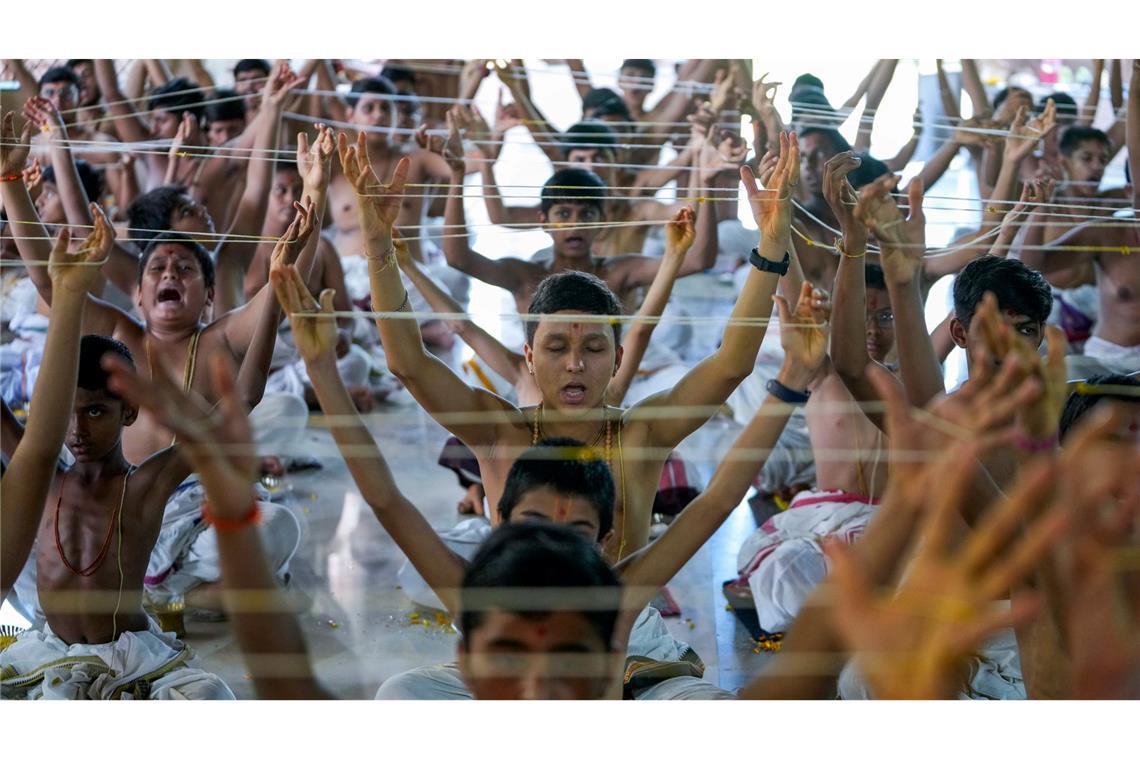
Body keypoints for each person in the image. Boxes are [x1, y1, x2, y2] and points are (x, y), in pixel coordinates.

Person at [351, 128, 801, 560]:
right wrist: (378, 249)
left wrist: (772, 245)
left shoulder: (640, 436)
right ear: (528, 356)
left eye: (593, 349)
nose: (574, 365)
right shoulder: (500, 434)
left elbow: (731, 365)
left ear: (618, 357)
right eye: (555, 348)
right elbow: (409, 364)